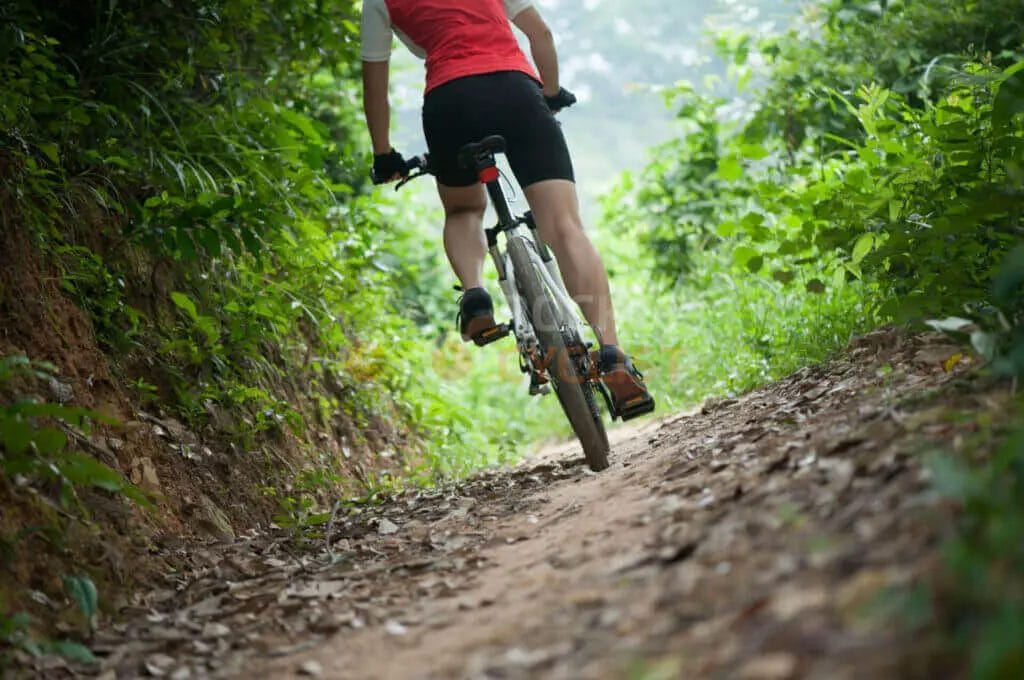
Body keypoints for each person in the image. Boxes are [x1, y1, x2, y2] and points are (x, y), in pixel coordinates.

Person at [360, 0, 654, 420]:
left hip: (449, 102)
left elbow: (374, 81)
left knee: (463, 211)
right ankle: (611, 353)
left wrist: (384, 153)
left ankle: (476, 295)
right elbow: (541, 35)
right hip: (514, 89)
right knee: (565, 227)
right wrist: (550, 95)